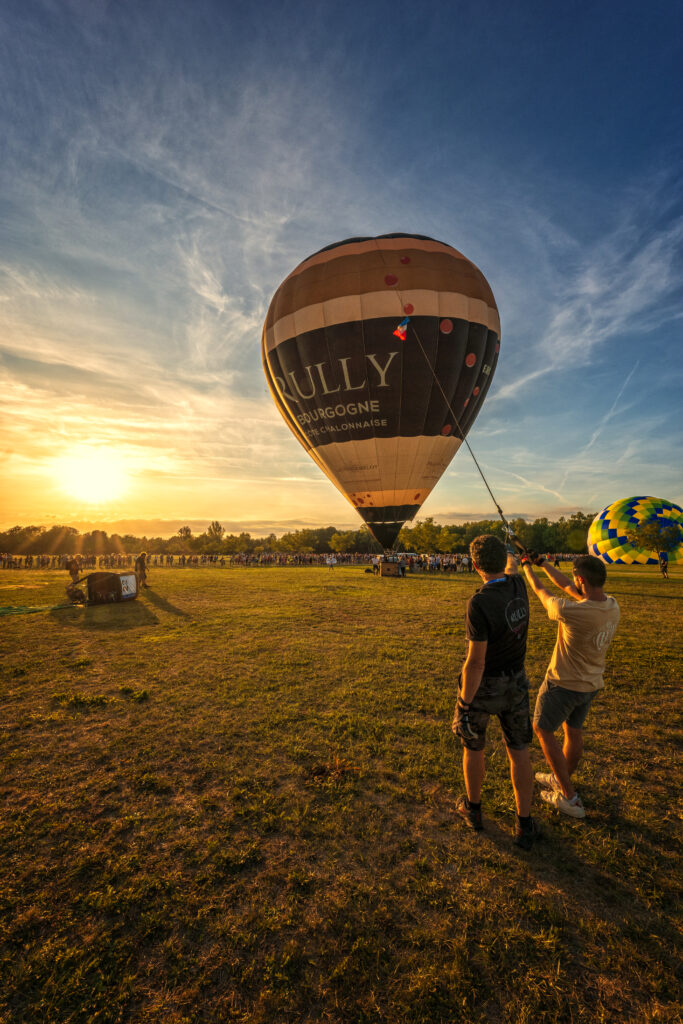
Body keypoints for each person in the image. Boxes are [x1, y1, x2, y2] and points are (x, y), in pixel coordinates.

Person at [452, 534, 541, 850]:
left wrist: (464, 704)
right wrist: (520, 548)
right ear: (503, 560)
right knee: (518, 751)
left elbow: (475, 663)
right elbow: (516, 565)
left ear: (474, 564)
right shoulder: (518, 585)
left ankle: (474, 811)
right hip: (516, 681)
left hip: (486, 685)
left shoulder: (480, 602)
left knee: (474, 747)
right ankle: (524, 822)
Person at [521, 553, 620, 818]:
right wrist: (543, 563)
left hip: (563, 683)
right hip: (591, 684)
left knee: (542, 730)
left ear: (582, 579)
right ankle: (561, 777)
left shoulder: (570, 611)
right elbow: (567, 586)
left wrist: (527, 568)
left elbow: (542, 592)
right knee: (572, 732)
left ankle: (569, 797)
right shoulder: (611, 605)